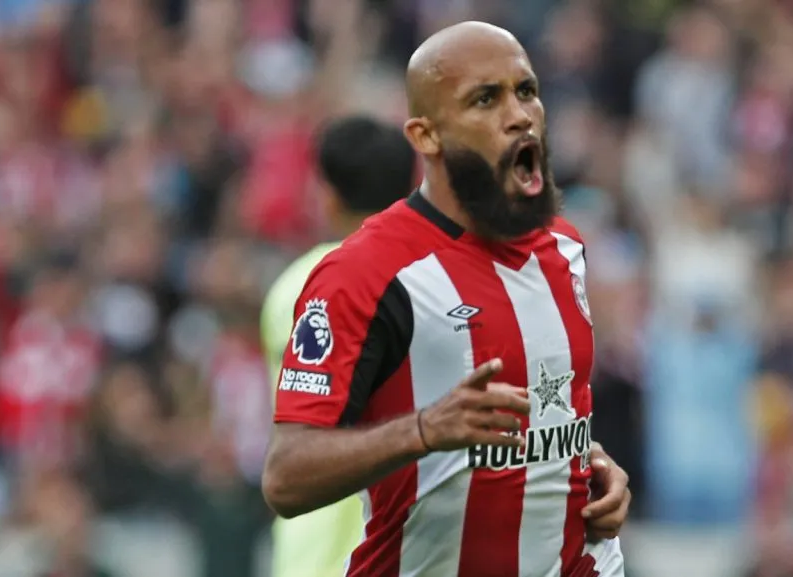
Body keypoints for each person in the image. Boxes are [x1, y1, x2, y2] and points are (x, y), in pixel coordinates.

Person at [262, 21, 631, 576]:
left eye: (526, 90)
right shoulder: (365, 274)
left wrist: (594, 471)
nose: (519, 114)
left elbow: (553, 418)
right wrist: (423, 430)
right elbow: (286, 476)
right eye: (485, 99)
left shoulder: (565, 248)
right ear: (426, 136)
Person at [260, 116, 418, 577]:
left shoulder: (298, 287)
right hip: (412, 550)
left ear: (327, 195)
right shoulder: (437, 282)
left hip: (317, 555)